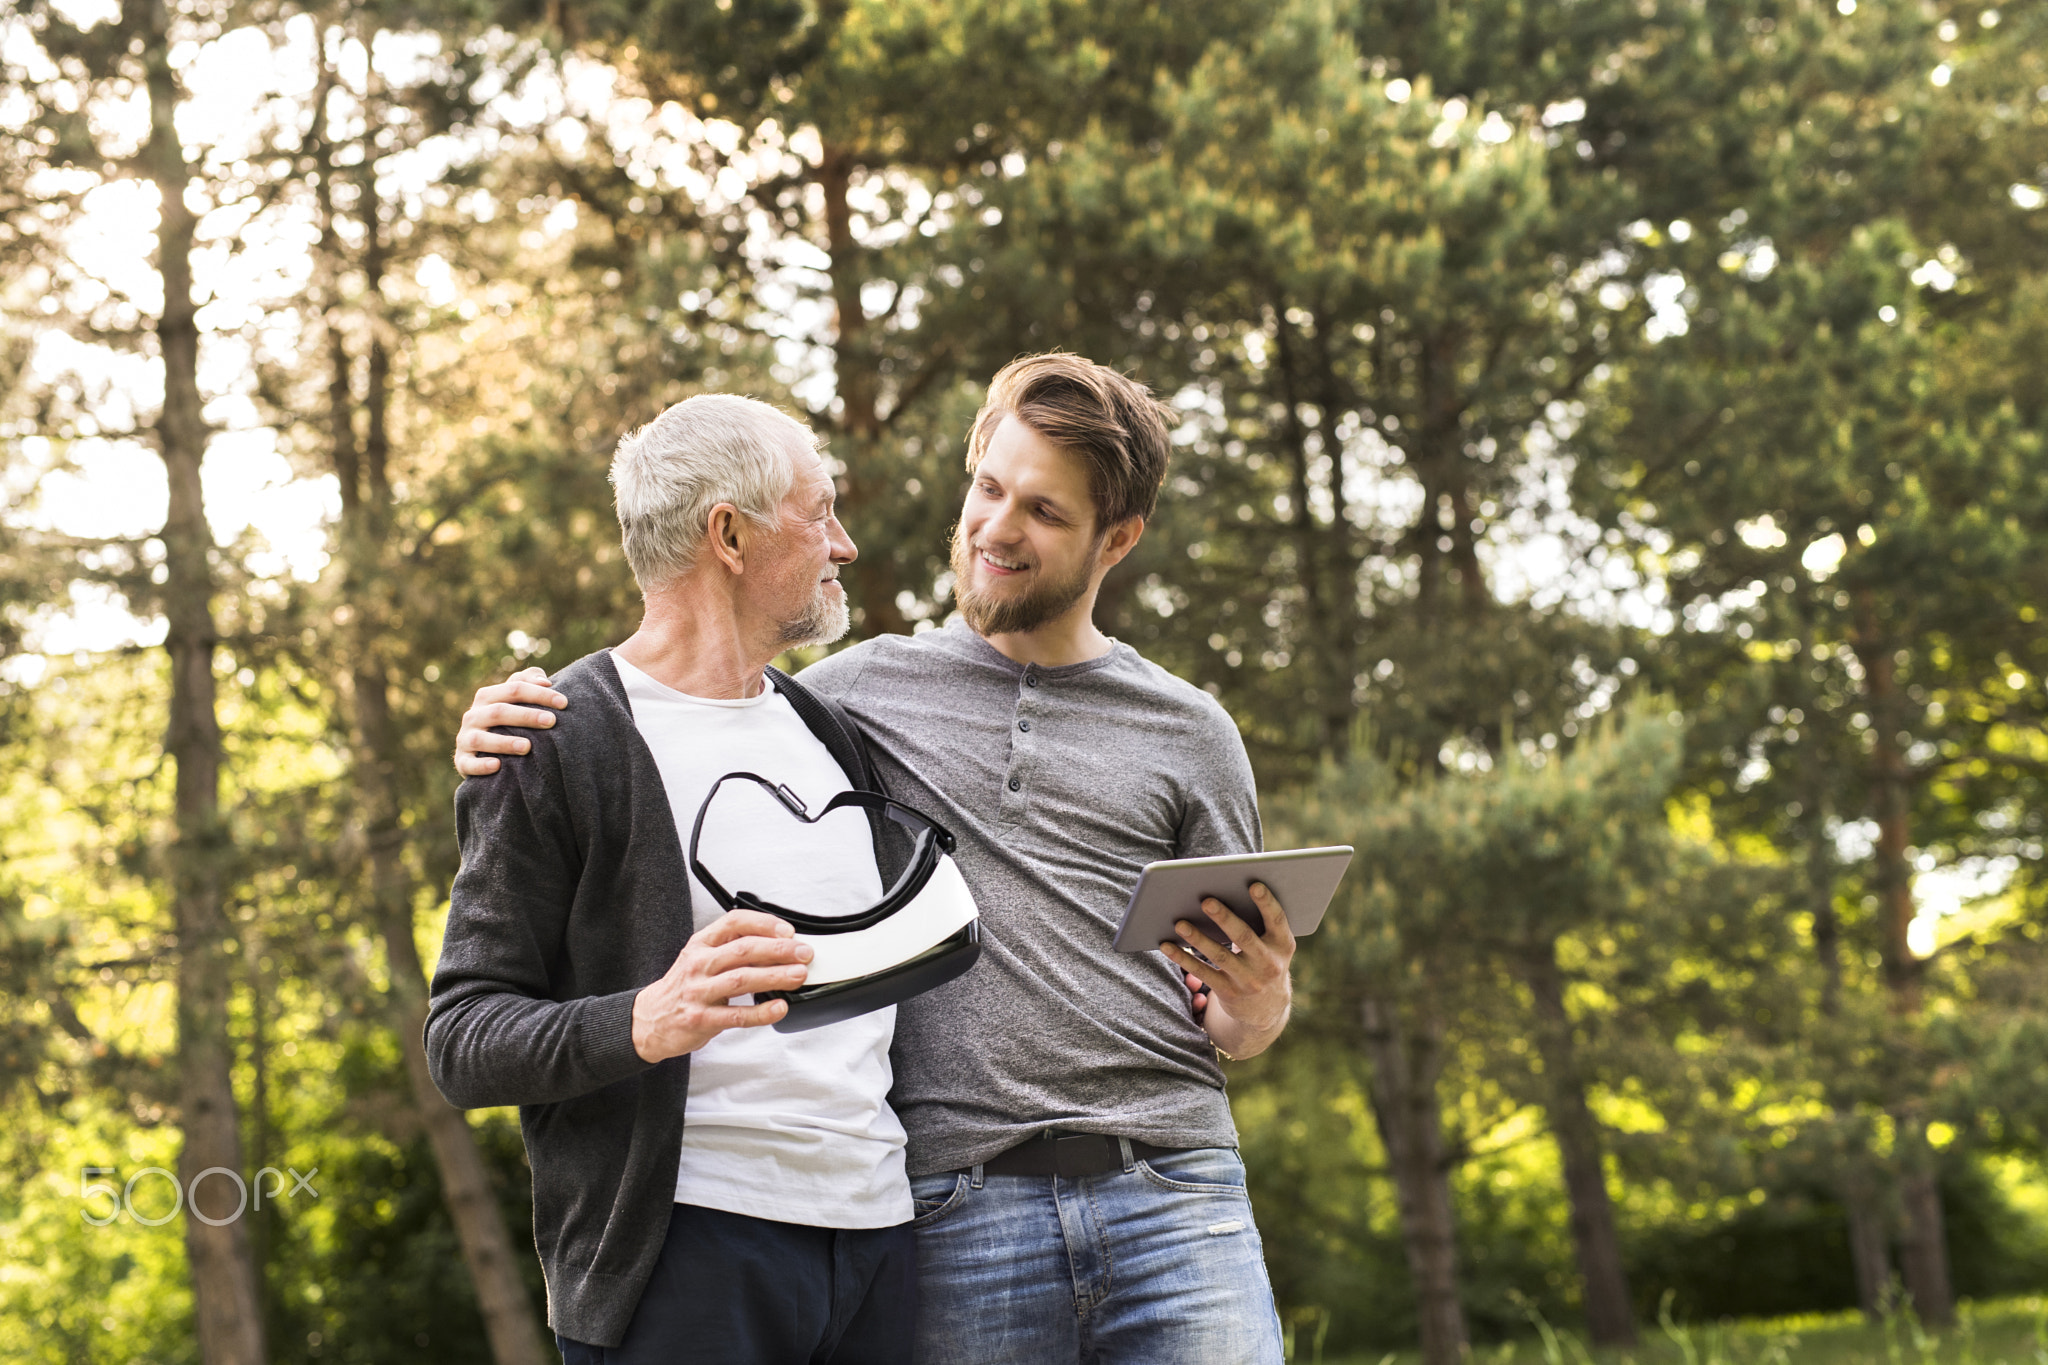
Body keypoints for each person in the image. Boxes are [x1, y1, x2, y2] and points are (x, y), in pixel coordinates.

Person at [456, 354, 1297, 1363]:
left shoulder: (1173, 730)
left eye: (1042, 510)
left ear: (1116, 538)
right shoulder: (852, 701)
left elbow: (1234, 1014)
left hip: (1107, 1201)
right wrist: (508, 724)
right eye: (987, 489)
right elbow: (678, 667)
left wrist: (1259, 1003)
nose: (994, 527)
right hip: (928, 1211)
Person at [426, 394, 923, 1364]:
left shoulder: (826, 730)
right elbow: (462, 1038)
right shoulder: (555, 739)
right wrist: (644, 1019)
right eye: (818, 512)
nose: (845, 544)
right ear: (728, 534)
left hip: (875, 1242)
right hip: (683, 1255)